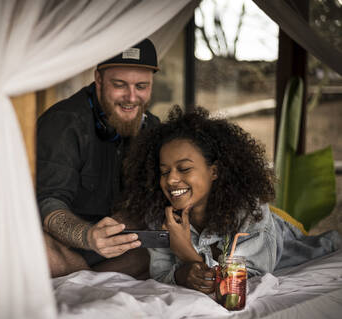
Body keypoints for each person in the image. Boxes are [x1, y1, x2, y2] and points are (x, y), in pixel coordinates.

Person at [118, 106, 341, 294]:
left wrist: (186, 253)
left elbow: (245, 280)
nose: (171, 179)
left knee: (329, 246)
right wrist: (181, 274)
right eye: (164, 171)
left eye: (184, 168)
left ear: (213, 171)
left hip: (290, 242)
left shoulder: (249, 211)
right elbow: (161, 273)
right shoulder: (160, 214)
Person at [36, 39, 161, 278]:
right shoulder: (62, 123)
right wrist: (88, 235)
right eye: (120, 85)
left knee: (158, 253)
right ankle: (93, 280)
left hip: (120, 250)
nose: (131, 97)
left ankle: (85, 280)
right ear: (98, 79)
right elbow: (47, 203)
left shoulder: (153, 127)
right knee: (36, 248)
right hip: (65, 244)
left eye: (142, 86)